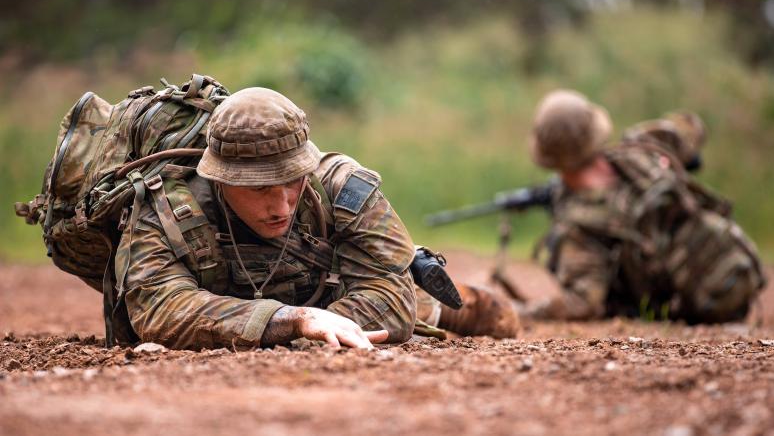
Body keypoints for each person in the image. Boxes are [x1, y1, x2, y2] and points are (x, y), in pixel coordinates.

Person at [114, 87, 517, 351]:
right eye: (259, 189)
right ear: (220, 177)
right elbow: (160, 309)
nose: (282, 206)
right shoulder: (165, 210)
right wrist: (291, 321)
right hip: (293, 311)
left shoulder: (343, 189)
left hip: (338, 293)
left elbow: (392, 298)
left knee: (484, 313)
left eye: (291, 181)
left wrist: (322, 323)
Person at [522, 90, 765, 323]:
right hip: (741, 265)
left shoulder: (578, 224)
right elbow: (693, 127)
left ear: (549, 156)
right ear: (594, 131)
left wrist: (527, 311)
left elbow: (584, 302)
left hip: (701, 306)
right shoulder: (644, 148)